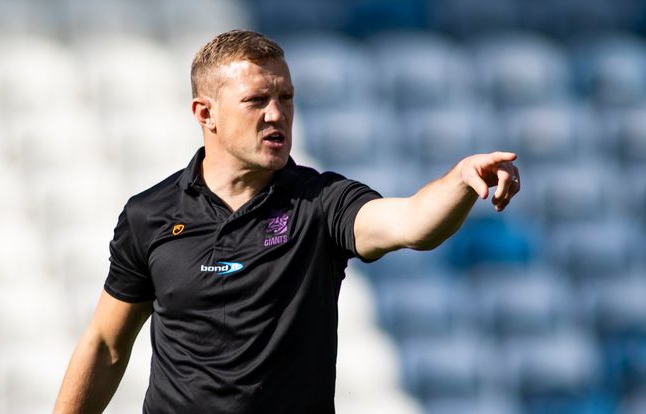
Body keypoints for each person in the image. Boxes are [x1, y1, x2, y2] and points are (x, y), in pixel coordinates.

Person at [54, 29, 521, 414]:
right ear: (205, 113)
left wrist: (459, 182)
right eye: (257, 100)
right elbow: (105, 345)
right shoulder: (149, 214)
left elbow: (413, 223)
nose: (276, 114)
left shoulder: (321, 202)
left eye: (286, 97)